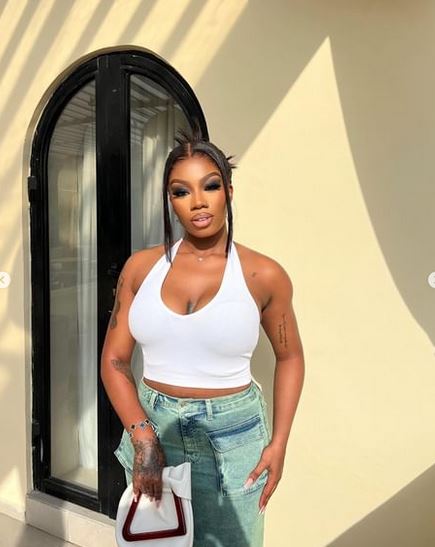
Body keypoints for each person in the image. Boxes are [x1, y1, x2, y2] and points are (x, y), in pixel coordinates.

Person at [100, 128, 305, 546]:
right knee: (155, 541)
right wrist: (142, 436)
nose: (197, 201)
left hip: (233, 435)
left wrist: (280, 442)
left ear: (228, 191)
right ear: (170, 200)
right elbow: (114, 360)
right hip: (153, 425)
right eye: (181, 191)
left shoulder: (263, 274)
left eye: (210, 186)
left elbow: (290, 357)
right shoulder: (140, 269)